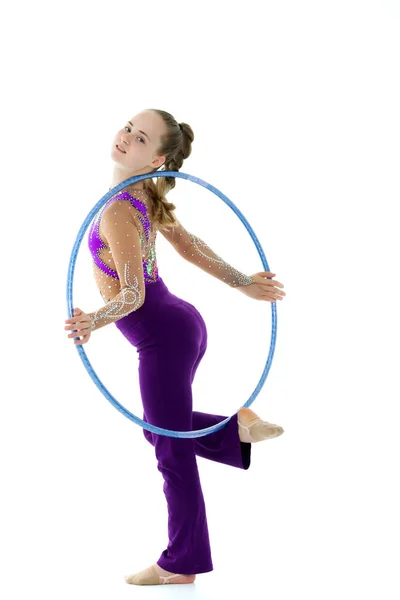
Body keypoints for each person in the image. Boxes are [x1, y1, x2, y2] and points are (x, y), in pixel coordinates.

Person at [64, 108, 286, 586]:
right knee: (163, 434)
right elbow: (190, 245)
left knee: (170, 450)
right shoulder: (139, 196)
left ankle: (180, 562)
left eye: (140, 138)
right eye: (128, 127)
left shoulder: (120, 207)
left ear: (157, 158)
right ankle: (235, 430)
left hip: (162, 335)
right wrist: (242, 282)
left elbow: (133, 294)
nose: (126, 138)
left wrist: (92, 321)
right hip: (179, 327)